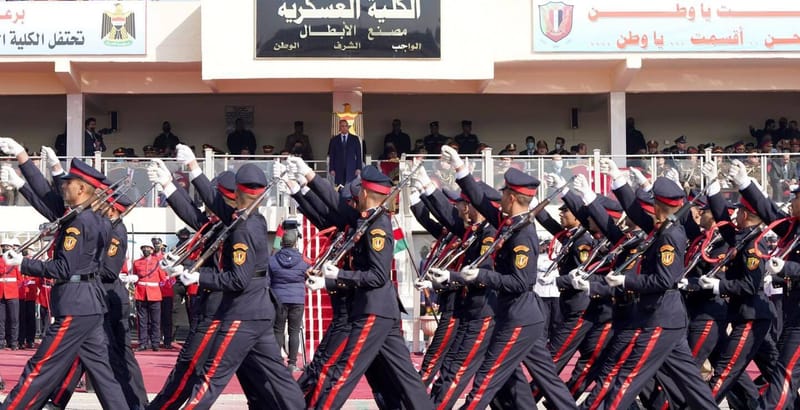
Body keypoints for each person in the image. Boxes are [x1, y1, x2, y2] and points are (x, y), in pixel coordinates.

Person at [0, 141, 128, 409]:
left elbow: (63, 269)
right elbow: (50, 203)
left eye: (68, 183)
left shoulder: (79, 223)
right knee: (104, 376)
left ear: (82, 189)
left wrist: (24, 263)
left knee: (40, 367)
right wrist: (24, 166)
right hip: (89, 304)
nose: (63, 186)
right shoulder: (92, 218)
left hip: (75, 304)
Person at [172, 163, 306, 409]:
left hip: (242, 314)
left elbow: (238, 279)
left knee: (210, 379)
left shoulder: (242, 227)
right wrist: (192, 170)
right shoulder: (254, 219)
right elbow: (217, 207)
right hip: (261, 312)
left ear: (237, 194)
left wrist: (200, 277)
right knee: (279, 379)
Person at [270, 220, 309, 373]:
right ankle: (292, 363)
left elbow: (268, 278)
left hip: (278, 298)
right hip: (297, 299)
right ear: (295, 243)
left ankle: (277, 362)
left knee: (278, 330)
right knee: (294, 330)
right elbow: (308, 275)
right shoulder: (303, 260)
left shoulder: (273, 260)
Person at [133, 243, 166, 351]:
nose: (146, 250)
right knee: (142, 321)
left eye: (148, 248)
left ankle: (155, 343)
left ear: (152, 250)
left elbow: (163, 279)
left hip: (155, 294)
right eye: (144, 248)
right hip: (141, 294)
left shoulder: (158, 263)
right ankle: (143, 343)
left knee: (155, 321)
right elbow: (135, 277)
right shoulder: (137, 262)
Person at [0, 236, 21, 350]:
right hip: (1, 294)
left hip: (12, 293)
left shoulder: (15, 261)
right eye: (3, 246)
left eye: (7, 246)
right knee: (1, 320)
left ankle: (13, 342)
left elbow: (19, 279)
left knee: (14, 319)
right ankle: (1, 342)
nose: (5, 248)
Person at [328, 119, 363, 186]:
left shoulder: (355, 139)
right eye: (342, 126)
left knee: (351, 187)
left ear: (348, 127)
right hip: (338, 167)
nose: (344, 128)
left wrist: (358, 168)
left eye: (346, 126)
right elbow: (332, 155)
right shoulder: (334, 140)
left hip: (351, 168)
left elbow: (359, 155)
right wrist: (331, 168)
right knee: (339, 187)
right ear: (339, 127)